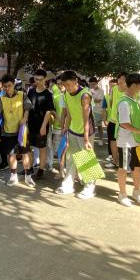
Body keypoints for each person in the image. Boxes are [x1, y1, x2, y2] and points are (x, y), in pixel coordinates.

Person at [0, 75, 34, 187]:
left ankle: (28, 176)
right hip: (7, 131)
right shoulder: (1, 98)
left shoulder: (22, 95)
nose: (7, 88)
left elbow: (28, 107)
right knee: (11, 155)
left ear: (13, 84)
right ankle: (13, 176)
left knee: (25, 154)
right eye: (5, 86)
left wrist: (24, 118)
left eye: (9, 86)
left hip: (21, 131)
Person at [56, 70, 96, 199]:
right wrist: (65, 128)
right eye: (65, 85)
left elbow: (86, 119)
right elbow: (69, 113)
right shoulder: (66, 94)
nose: (67, 88)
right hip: (72, 130)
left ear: (76, 81)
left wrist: (86, 139)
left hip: (86, 132)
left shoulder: (85, 95)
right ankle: (68, 184)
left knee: (86, 159)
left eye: (69, 85)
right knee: (71, 159)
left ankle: (89, 188)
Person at [116, 73, 140, 207]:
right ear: (134, 85)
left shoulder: (134, 100)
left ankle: (137, 191)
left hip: (136, 140)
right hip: (126, 142)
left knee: (137, 168)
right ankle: (122, 194)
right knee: (123, 169)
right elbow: (124, 124)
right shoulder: (124, 102)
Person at [26, 69, 55, 181]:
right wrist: (25, 122)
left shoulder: (48, 94)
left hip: (42, 125)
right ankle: (30, 168)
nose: (38, 81)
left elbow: (48, 111)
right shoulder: (31, 91)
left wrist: (43, 126)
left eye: (40, 79)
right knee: (29, 148)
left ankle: (41, 170)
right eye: (36, 79)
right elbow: (27, 107)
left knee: (42, 148)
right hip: (30, 124)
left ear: (45, 79)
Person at [105, 73, 127, 170]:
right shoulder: (114, 89)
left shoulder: (131, 90)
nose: (121, 80)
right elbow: (111, 102)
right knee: (113, 142)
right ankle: (115, 161)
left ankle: (125, 164)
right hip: (113, 120)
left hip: (125, 122)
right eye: (119, 78)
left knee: (124, 143)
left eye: (123, 79)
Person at [46, 75, 66, 175]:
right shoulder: (57, 93)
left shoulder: (83, 93)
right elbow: (56, 111)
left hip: (80, 130)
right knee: (60, 148)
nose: (60, 86)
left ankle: (88, 178)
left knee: (81, 151)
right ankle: (62, 170)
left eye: (62, 83)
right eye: (58, 84)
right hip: (61, 127)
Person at [89, 76, 106, 146]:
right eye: (90, 84)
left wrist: (91, 98)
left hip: (98, 111)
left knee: (99, 126)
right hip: (91, 110)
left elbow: (98, 100)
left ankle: (101, 139)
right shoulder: (90, 90)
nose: (92, 86)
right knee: (91, 126)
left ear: (96, 83)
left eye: (93, 84)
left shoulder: (101, 91)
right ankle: (91, 139)